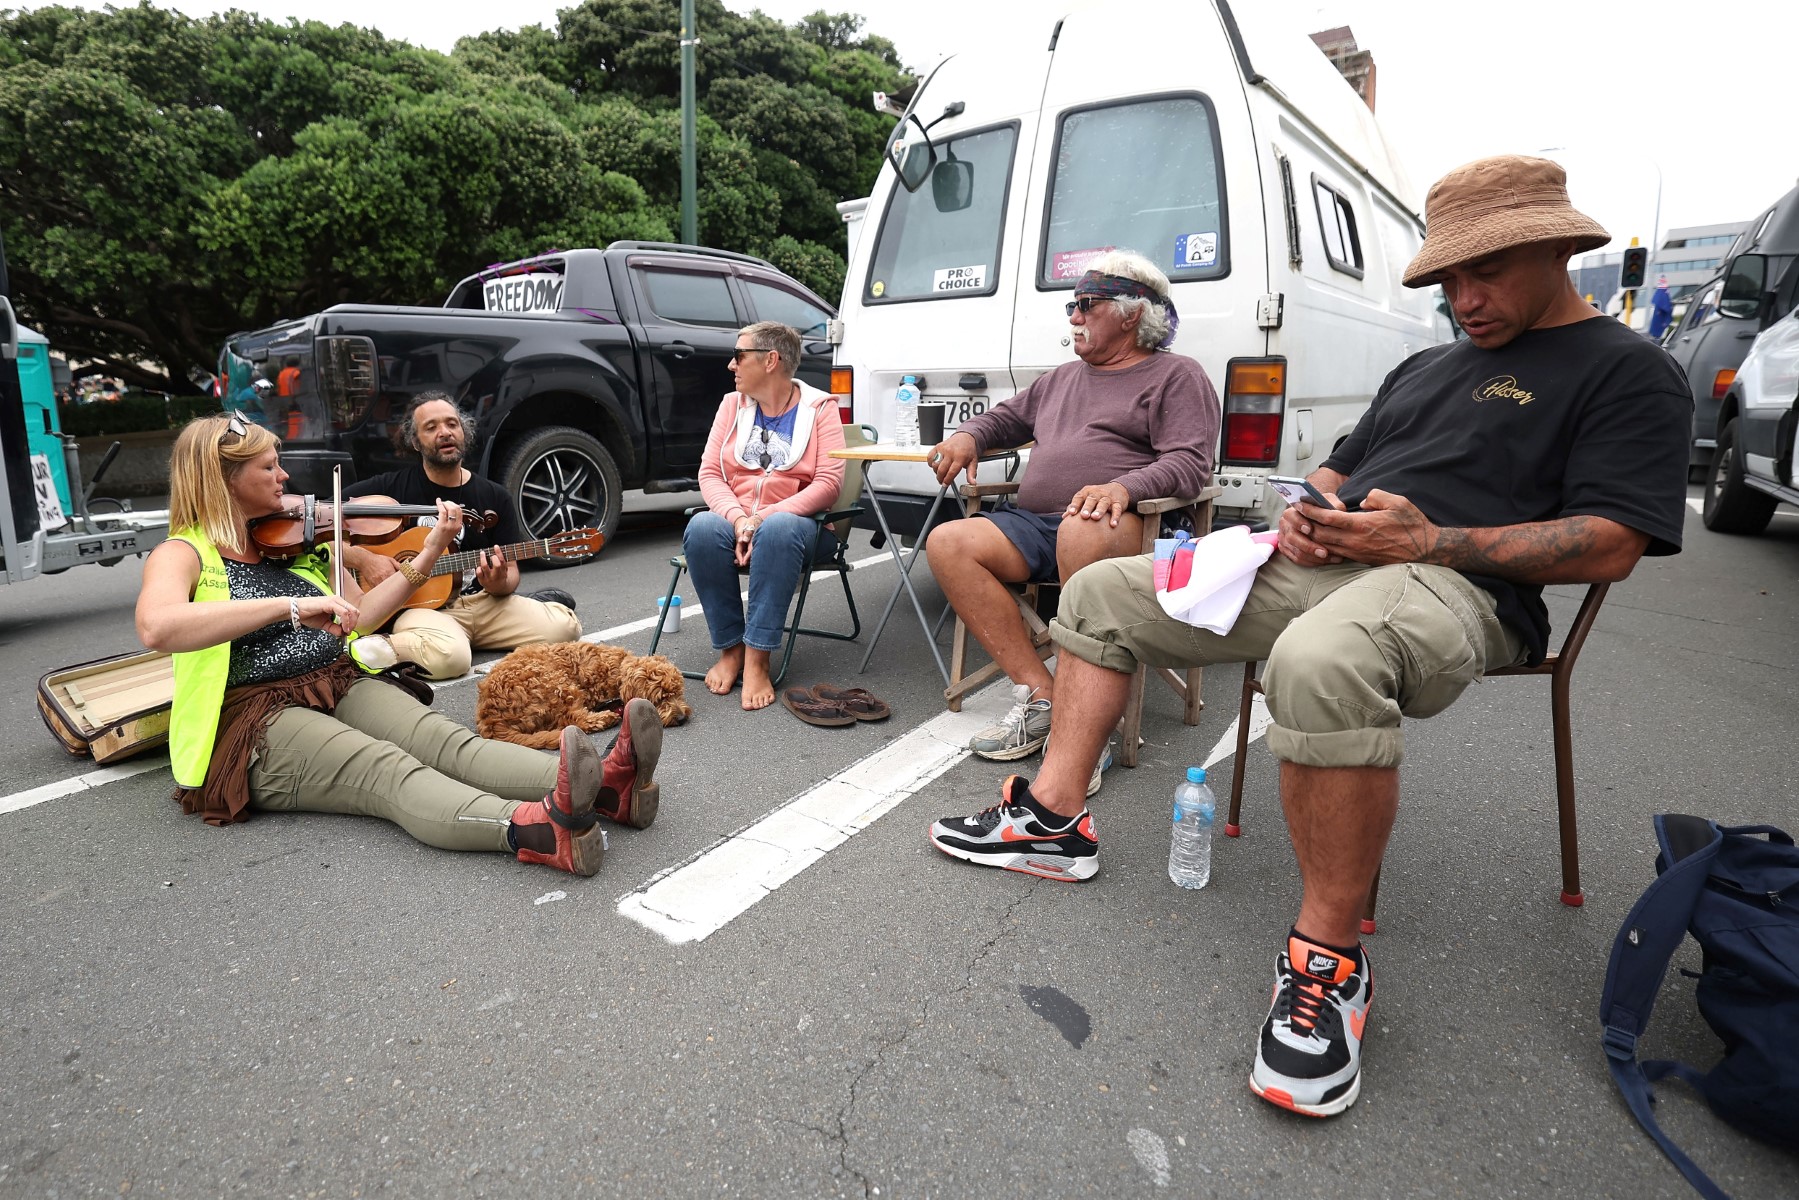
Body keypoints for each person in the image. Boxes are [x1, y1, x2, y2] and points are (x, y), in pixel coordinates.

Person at [927, 155, 1692, 1117]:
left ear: (1557, 249)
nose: (1463, 298)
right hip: (1326, 559)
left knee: (1318, 661)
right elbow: (1333, 475)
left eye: (1484, 274)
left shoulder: (1628, 371)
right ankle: (1053, 820)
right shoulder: (1427, 366)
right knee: (1106, 593)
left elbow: (1613, 541)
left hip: (1460, 581)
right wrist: (1304, 515)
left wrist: (1431, 539)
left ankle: (1328, 962)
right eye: (1447, 280)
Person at [135, 414, 663, 878]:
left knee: (447, 745)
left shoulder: (281, 543)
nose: (285, 478)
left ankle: (611, 788)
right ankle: (538, 832)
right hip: (250, 715)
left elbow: (359, 617)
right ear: (224, 478)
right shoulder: (181, 553)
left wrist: (430, 551)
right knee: (388, 770)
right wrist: (287, 608)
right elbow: (157, 627)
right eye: (269, 468)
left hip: (330, 679)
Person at [923, 249, 1218, 774]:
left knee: (1083, 528)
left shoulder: (1177, 375)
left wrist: (1124, 488)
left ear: (1132, 314)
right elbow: (1003, 420)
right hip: (1038, 525)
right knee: (949, 542)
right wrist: (968, 435)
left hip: (1131, 527)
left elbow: (1191, 463)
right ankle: (1047, 697)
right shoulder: (1060, 379)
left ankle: (1089, 730)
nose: (1074, 317)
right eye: (1071, 306)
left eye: (1087, 304)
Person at [340, 393, 581, 680]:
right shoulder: (391, 489)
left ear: (463, 433)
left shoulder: (495, 496)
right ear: (415, 442)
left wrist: (500, 583)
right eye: (431, 427)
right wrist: (366, 560)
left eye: (452, 424)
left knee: (565, 628)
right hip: (423, 610)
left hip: (482, 602)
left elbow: (511, 574)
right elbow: (325, 532)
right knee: (452, 659)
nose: (444, 432)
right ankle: (377, 645)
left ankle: (452, 639)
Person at [686, 321, 845, 711]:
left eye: (739, 355)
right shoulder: (731, 405)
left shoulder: (820, 408)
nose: (731, 365)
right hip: (740, 519)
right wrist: (740, 519)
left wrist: (763, 518)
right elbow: (709, 474)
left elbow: (828, 483)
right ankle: (731, 649)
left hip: (800, 528)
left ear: (770, 360)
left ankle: (758, 656)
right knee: (703, 526)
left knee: (779, 528)